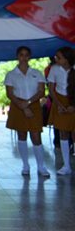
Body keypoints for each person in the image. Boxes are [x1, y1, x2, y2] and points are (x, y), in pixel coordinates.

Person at [4, 46, 49, 177]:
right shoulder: (11, 74)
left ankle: (41, 166)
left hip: (33, 105)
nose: (24, 58)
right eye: (21, 55)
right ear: (17, 56)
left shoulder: (37, 73)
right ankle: (25, 165)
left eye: (26, 55)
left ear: (30, 57)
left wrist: (28, 103)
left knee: (36, 135)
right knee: (22, 134)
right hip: (17, 105)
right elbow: (10, 93)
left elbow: (41, 91)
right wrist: (22, 105)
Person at [47, 46, 75, 175]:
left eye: (59, 57)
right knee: (63, 133)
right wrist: (58, 104)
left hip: (73, 101)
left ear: (67, 59)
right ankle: (66, 165)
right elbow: (51, 90)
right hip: (60, 101)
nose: (56, 59)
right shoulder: (54, 69)